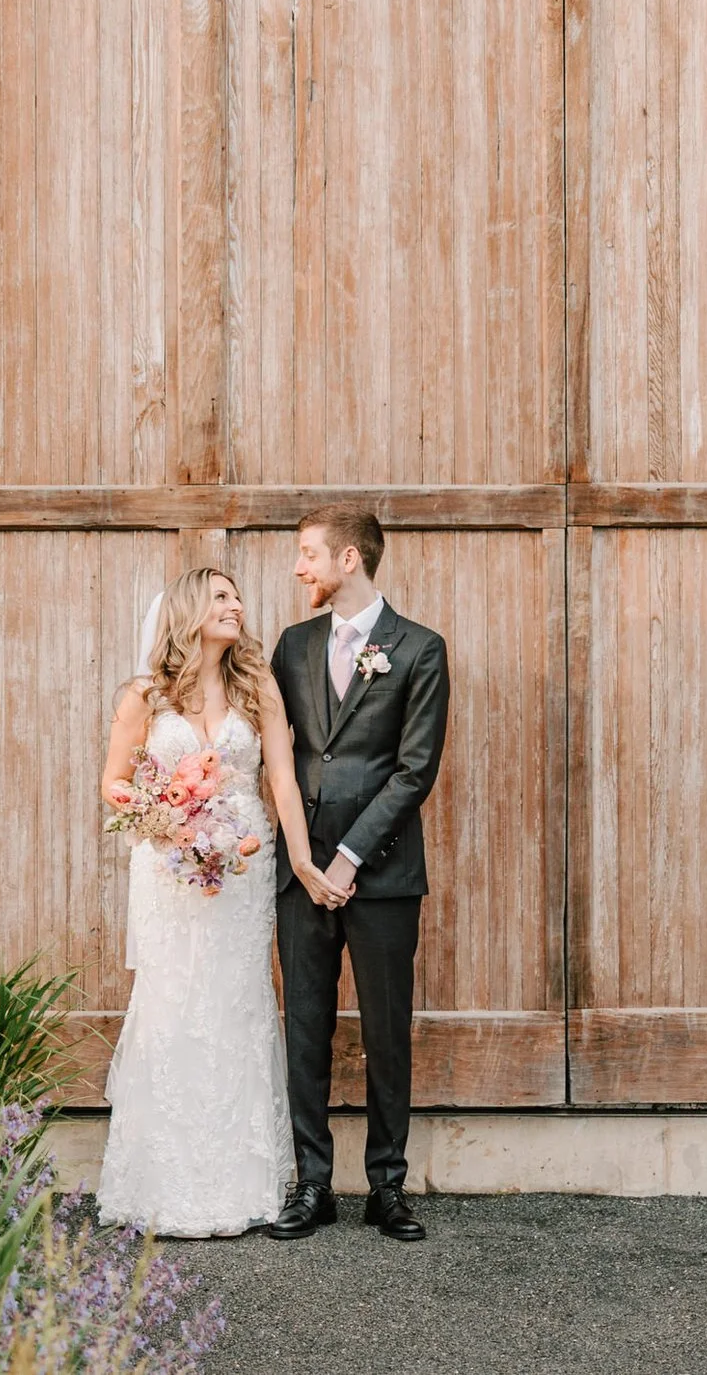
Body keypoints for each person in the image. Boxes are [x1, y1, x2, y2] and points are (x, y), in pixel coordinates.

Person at [93, 566, 348, 1236]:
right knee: (174, 1001)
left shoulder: (255, 685)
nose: (237, 605)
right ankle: (164, 1184)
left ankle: (243, 1184)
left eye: (238, 596)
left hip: (243, 864)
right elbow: (114, 783)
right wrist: (162, 819)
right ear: (189, 610)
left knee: (236, 1000)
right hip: (170, 867)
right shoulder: (144, 697)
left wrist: (300, 856)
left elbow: (284, 782)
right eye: (222, 596)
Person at [267, 504, 449, 1243]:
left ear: (350, 558)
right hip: (298, 876)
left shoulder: (419, 649)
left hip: (381, 877)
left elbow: (413, 771)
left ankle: (387, 1185)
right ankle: (312, 1183)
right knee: (304, 1025)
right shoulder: (291, 643)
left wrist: (344, 857)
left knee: (387, 1029)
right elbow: (281, 756)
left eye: (309, 553)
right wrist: (305, 858)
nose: (299, 566)